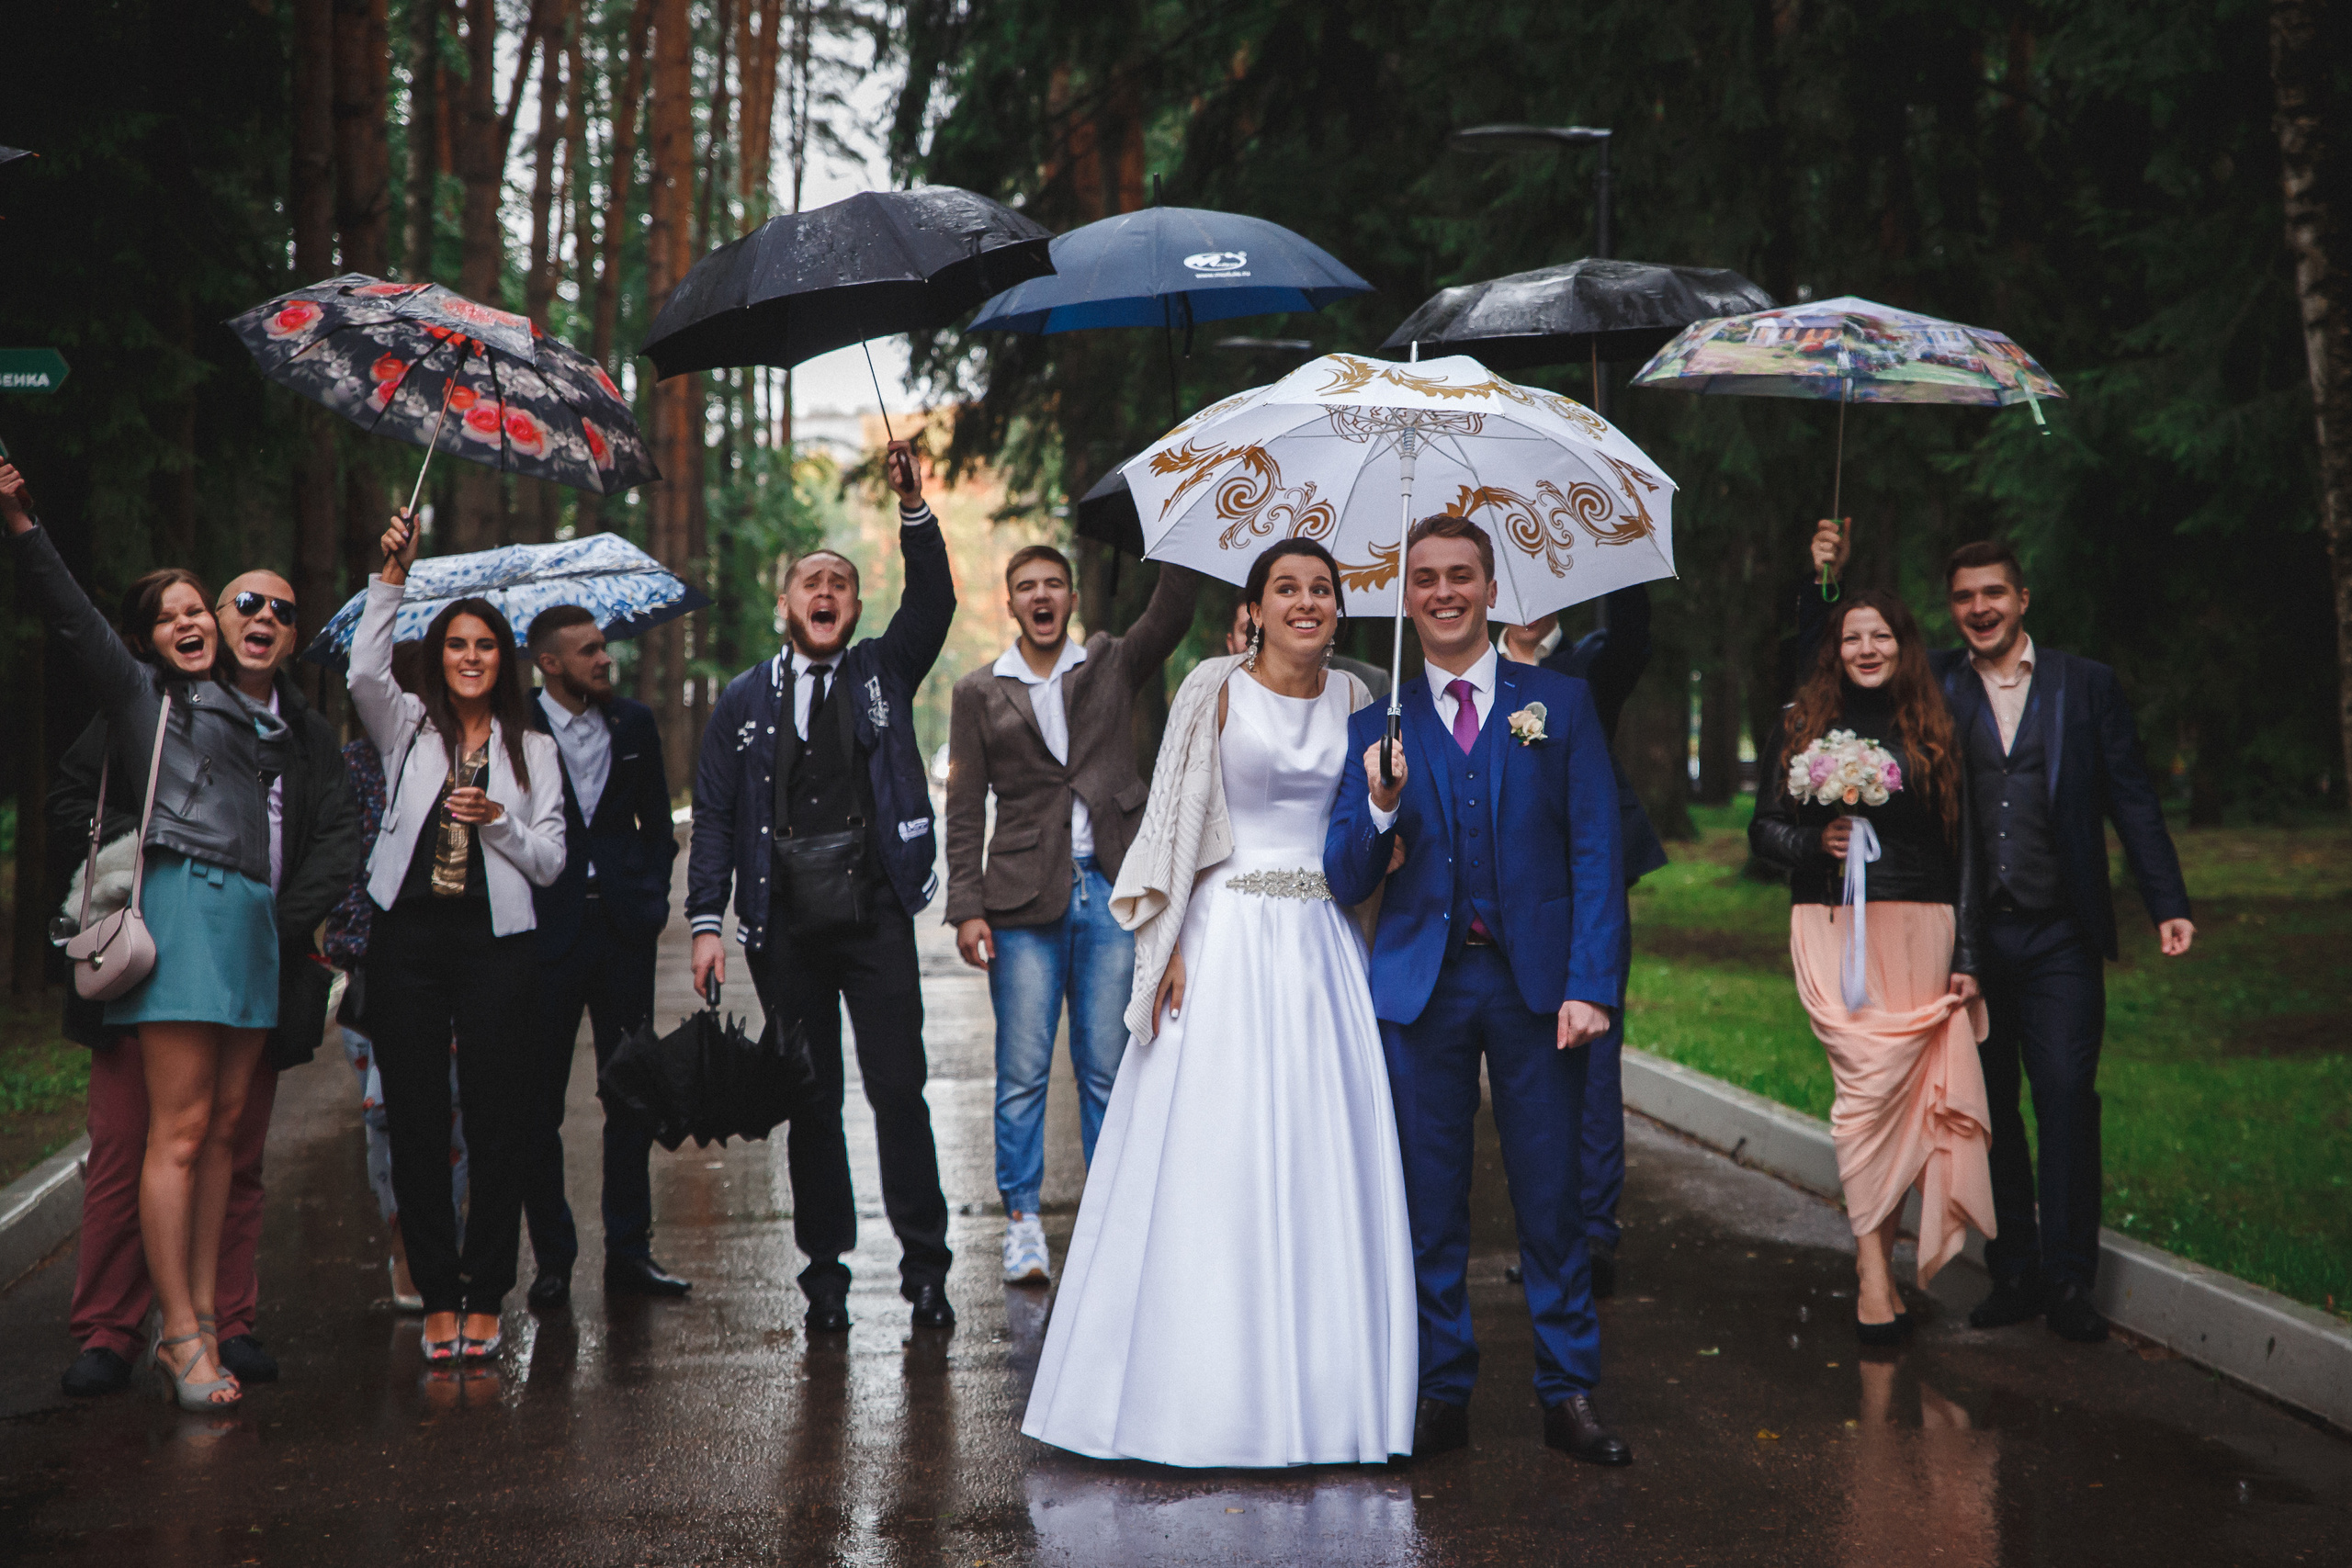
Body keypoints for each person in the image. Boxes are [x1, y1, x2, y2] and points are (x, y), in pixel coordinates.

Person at [1023, 538, 1415, 1467]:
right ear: (1257, 607)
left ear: (1338, 607)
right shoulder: (1212, 688)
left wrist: (1385, 809)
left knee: (1321, 1152)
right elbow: (1171, 817)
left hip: (1321, 947)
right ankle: (1193, 1394)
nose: (1306, 602)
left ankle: (1328, 1398)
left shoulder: (1364, 703)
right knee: (1212, 1148)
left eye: (1321, 589)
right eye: (1287, 588)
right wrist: (1164, 945)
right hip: (1221, 934)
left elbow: (1359, 845)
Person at [1809, 525, 2194, 1343]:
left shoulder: (2086, 685)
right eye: (1964, 597)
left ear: (2022, 598)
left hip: (2062, 931)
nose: (1979, 608)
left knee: (2065, 1092)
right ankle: (2014, 1267)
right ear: (1951, 609)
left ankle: (2070, 1279)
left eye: (1993, 593)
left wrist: (2168, 901)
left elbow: (2131, 796)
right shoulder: (1933, 684)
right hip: (1969, 937)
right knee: (1991, 1106)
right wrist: (1827, 581)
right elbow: (1840, 669)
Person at [1325, 513, 1633, 1466]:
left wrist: (1591, 983)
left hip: (1538, 987)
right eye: (1425, 578)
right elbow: (1343, 874)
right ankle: (1439, 1389)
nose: (1444, 592)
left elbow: (1596, 850)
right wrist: (1379, 806)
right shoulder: (1374, 725)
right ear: (1404, 596)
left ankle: (1567, 1391)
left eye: (1461, 575)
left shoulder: (1560, 704)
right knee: (1428, 1202)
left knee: (1553, 1198)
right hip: (1423, 987)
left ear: (1492, 591)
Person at [6, 461, 288, 1411]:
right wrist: (22, 523)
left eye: (198, 607)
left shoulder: (245, 709)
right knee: (178, 1131)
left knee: (223, 1136)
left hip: (249, 917)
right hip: (184, 907)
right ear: (146, 640)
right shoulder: (142, 699)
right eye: (170, 617)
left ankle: (199, 1315)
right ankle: (178, 1335)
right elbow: (70, 614)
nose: (191, 621)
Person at [50, 569, 359, 1396]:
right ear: (219, 620)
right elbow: (73, 799)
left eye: (282, 610)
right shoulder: (149, 701)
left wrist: (275, 922)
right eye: (246, 602)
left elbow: (337, 839)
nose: (264, 616)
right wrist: (156, 851)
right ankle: (115, 1331)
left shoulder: (303, 732)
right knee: (132, 1146)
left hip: (259, 947)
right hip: (160, 945)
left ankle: (225, 1321)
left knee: (232, 1145)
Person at [687, 440, 958, 1333]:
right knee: (812, 1101)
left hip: (876, 917)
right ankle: (825, 1275)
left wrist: (913, 508)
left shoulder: (885, 669)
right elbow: (715, 816)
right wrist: (706, 921)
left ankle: (926, 1268)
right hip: (786, 932)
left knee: (899, 1091)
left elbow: (934, 601)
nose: (827, 590)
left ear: (855, 605)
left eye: (840, 581)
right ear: (787, 606)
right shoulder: (743, 700)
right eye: (811, 580)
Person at [944, 545, 1197, 1285]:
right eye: (1027, 586)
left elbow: (1171, 613)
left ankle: (1113, 1219)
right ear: (1011, 603)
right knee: (1022, 1071)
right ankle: (1022, 1223)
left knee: (1107, 1068)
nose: (1042, 595)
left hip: (1111, 888)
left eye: (1054, 583)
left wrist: (1179, 525)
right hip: (1020, 901)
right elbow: (964, 807)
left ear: (1072, 597)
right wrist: (966, 907)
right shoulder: (978, 691)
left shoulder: (1110, 662)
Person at [1748, 588, 1994, 1342]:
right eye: (1852, 636)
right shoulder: (1801, 724)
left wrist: (1968, 952)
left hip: (1921, 924)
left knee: (1903, 1104)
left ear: (1902, 643)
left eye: (1880, 635)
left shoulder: (1935, 724)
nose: (1866, 649)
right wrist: (1814, 841)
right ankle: (1870, 1272)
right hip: (1831, 923)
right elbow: (1763, 829)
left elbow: (1964, 847)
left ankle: (1880, 1272)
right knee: (1865, 1093)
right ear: (1834, 648)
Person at [353, 511, 566, 1362]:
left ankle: (486, 1294)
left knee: (497, 1118)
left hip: (496, 946)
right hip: (408, 940)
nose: (471, 656)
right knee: (413, 1117)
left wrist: (499, 820)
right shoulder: (407, 725)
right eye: (456, 644)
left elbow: (550, 860)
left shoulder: (533, 747)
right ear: (437, 656)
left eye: (484, 645)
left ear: (503, 659)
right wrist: (392, 575)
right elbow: (363, 669)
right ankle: (437, 1294)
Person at [1498, 584, 1668, 1299]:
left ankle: (1594, 1230)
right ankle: (1545, 1231)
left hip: (1589, 885)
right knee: (1530, 1069)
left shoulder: (1593, 663)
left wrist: (1624, 551)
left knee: (1595, 1061)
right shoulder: (1474, 674)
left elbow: (1632, 636)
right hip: (1508, 891)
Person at [515, 604, 684, 1309]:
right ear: (550, 663)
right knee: (537, 1105)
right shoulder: (513, 724)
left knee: (631, 1092)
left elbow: (659, 826)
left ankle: (630, 1252)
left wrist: (650, 899)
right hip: (545, 932)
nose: (605, 659)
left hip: (621, 931)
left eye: (603, 647)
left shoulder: (633, 723)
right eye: (588, 651)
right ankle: (553, 1259)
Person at [321, 693, 469, 1317]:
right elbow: (339, 865)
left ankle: (446, 1247)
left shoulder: (470, 758)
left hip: (455, 962)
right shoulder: (357, 765)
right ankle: (405, 1244)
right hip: (373, 967)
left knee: (455, 1112)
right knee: (387, 1115)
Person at [1226, 594, 1387, 698]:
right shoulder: (1220, 693)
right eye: (1247, 630)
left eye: (1267, 629)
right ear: (1230, 642)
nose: (1258, 637)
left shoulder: (1367, 685)